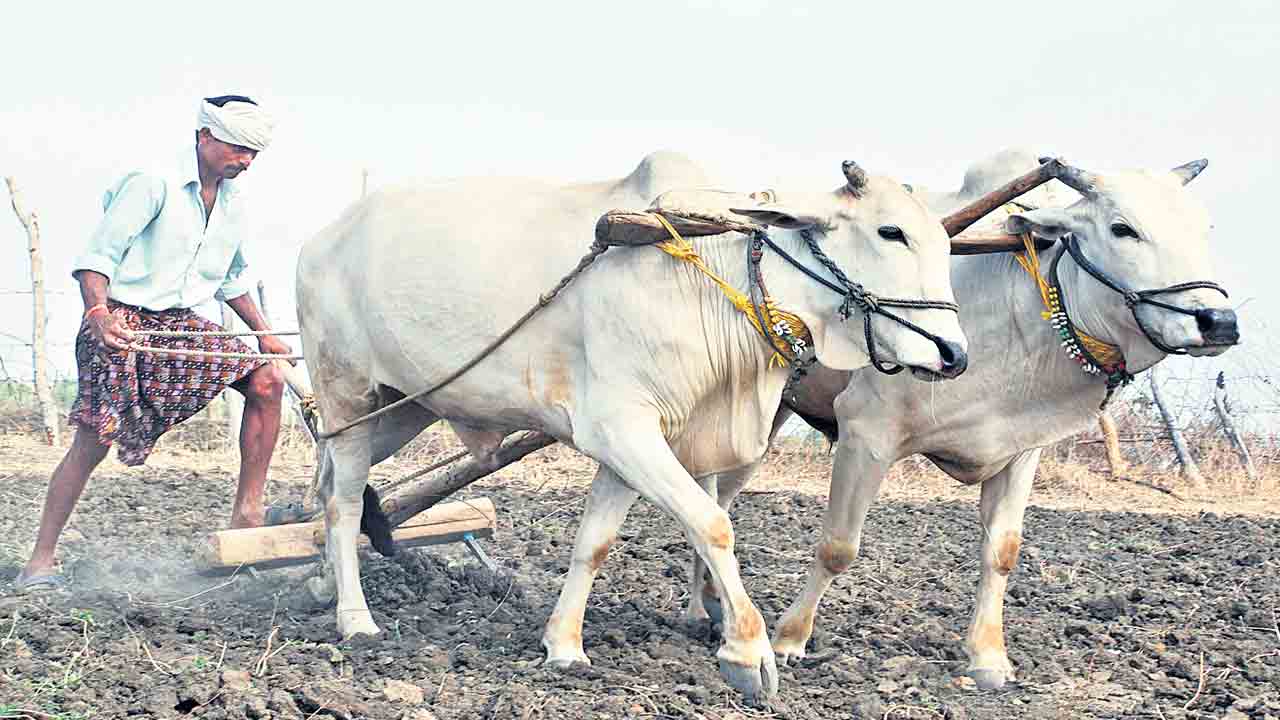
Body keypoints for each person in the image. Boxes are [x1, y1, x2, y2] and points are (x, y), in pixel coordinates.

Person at [15, 95, 297, 593]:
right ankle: (39, 560)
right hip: (120, 319)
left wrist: (264, 333)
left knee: (266, 378)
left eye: (255, 153)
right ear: (205, 137)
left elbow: (231, 279)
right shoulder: (152, 183)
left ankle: (247, 515)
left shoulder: (232, 204)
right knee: (94, 440)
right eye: (238, 148)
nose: (246, 161)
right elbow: (96, 259)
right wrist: (98, 314)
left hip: (179, 323)